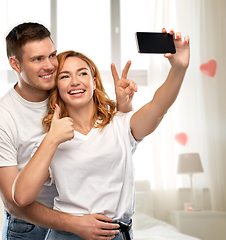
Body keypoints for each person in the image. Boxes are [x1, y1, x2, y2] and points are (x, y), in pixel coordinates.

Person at [12, 28, 190, 240]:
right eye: (65, 76)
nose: (75, 81)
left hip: (117, 233)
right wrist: (52, 139)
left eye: (83, 73)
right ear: (56, 87)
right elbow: (21, 197)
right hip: (67, 235)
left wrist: (178, 68)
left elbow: (158, 107)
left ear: (94, 82)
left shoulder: (121, 124)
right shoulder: (50, 137)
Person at [0, 22, 137, 240]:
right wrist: (74, 224)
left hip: (83, 220)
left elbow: (113, 146)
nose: (50, 66)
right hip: (30, 226)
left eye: (52, 55)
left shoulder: (70, 90)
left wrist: (124, 107)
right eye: (37, 59)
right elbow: (13, 202)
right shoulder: (0, 120)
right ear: (15, 65)